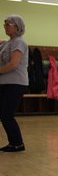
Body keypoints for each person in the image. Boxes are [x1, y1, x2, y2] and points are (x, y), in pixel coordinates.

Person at [0, 15, 28, 152]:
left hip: (16, 83)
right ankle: (14, 143)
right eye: (4, 23)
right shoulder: (8, 43)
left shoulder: (19, 42)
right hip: (5, 82)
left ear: (17, 26)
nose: (5, 26)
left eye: (8, 24)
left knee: (6, 114)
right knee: (3, 114)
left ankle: (17, 144)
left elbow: (14, 64)